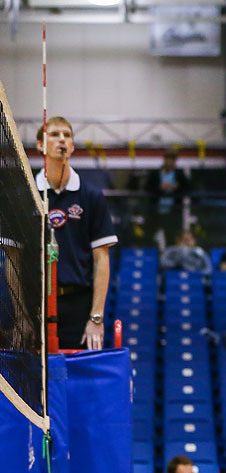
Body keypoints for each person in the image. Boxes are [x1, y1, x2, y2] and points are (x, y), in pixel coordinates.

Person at [36, 116, 118, 350]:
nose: (61, 139)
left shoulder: (91, 195)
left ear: (71, 146)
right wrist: (21, 314)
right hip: (37, 304)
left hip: (78, 304)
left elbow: (102, 258)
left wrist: (96, 318)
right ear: (41, 145)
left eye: (67, 135)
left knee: (76, 378)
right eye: (54, 134)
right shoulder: (29, 192)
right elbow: (16, 256)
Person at [145, 148, 190, 244]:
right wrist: (159, 187)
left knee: (171, 237)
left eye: (173, 160)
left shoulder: (179, 174)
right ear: (165, 160)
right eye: (168, 159)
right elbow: (147, 188)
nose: (170, 162)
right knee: (151, 237)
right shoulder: (155, 173)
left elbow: (188, 188)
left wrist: (176, 187)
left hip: (172, 212)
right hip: (156, 210)